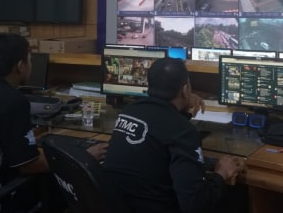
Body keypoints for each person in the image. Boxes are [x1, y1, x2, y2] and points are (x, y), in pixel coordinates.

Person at [0, 32, 106, 212]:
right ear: (20, 66)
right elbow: (29, 165)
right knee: (57, 182)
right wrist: (81, 157)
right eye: (30, 60)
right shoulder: (12, 100)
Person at [104, 57, 243, 213]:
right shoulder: (183, 132)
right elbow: (196, 205)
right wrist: (222, 173)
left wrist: (182, 106)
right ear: (185, 90)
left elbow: (162, 124)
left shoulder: (128, 112)